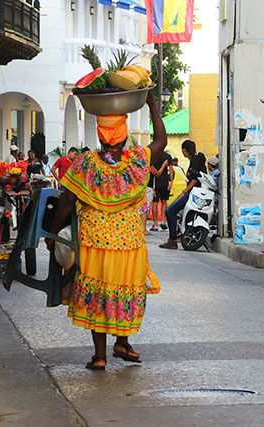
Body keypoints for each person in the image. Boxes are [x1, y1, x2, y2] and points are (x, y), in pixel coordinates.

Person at [46, 90, 166, 370]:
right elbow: (161, 139)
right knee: (124, 290)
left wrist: (52, 235)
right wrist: (150, 103)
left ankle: (101, 355)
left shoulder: (86, 164)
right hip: (128, 244)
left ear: (100, 136)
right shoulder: (136, 161)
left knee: (98, 294)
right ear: (124, 135)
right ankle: (122, 341)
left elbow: (66, 200)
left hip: (93, 242)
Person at [159, 140, 207, 249]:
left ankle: (172, 240)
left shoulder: (195, 160)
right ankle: (176, 236)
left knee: (170, 211)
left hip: (193, 192)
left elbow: (195, 179)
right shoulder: (195, 159)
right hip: (194, 192)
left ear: (184, 150)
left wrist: (184, 192)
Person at [149, 151, 174, 231]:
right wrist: (171, 181)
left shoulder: (153, 155)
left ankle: (155, 224)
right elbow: (171, 169)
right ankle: (163, 221)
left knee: (155, 203)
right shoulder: (167, 156)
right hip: (164, 181)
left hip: (154, 182)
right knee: (164, 201)